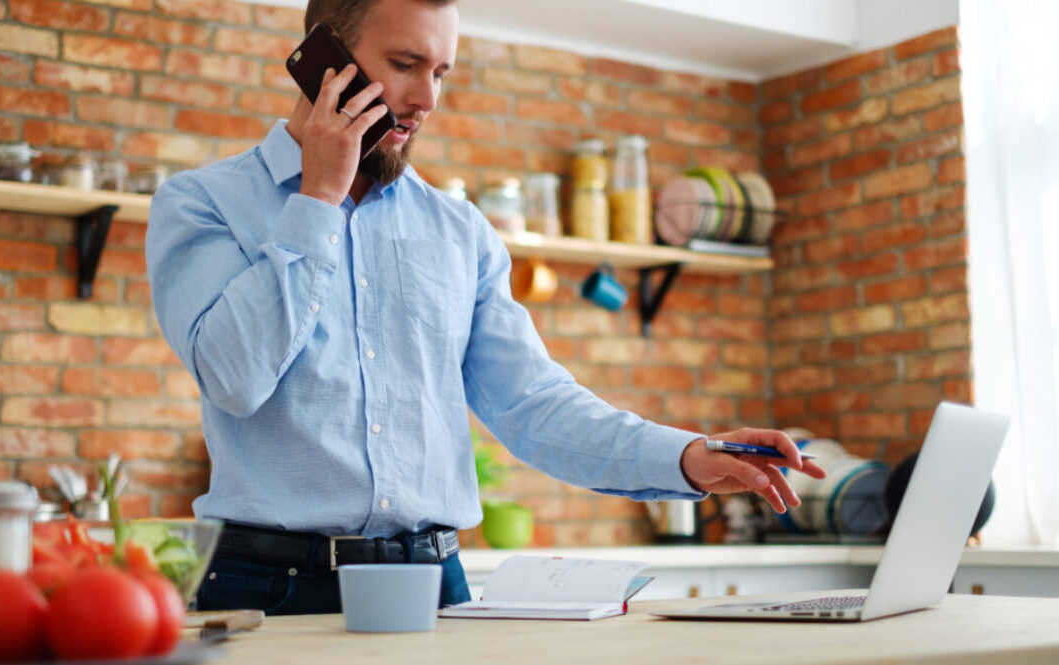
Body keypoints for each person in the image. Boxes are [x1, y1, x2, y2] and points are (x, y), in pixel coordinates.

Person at [145, 0, 825, 616]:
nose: (426, 99)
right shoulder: (201, 204)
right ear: (324, 59)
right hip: (266, 587)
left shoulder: (459, 230)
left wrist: (686, 457)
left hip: (435, 583)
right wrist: (318, 197)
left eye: (441, 71)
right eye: (405, 64)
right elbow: (235, 376)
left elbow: (533, 402)